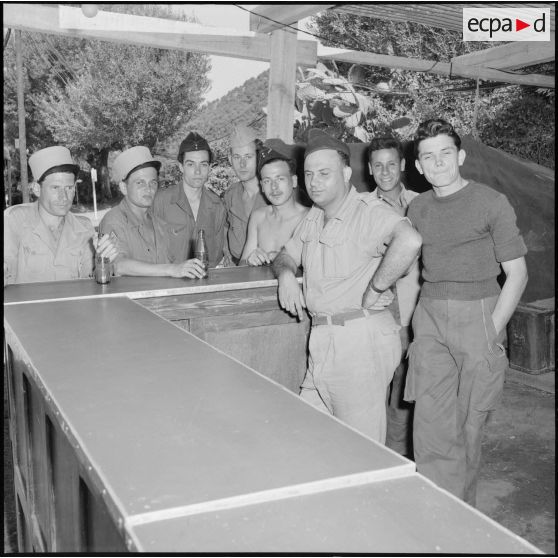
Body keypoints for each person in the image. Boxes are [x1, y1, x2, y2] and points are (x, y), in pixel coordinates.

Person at [405, 118, 528, 506]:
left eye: (445, 153)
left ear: (459, 156)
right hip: (429, 317)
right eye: (429, 156)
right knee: (429, 424)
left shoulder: (491, 202)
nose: (438, 163)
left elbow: (517, 274)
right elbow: (410, 269)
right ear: (419, 166)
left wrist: (489, 329)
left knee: (467, 425)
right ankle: (434, 512)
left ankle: (461, 519)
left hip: (479, 313)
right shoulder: (418, 206)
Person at [272, 129, 422, 442]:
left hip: (359, 342)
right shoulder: (315, 216)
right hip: (323, 342)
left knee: (361, 452)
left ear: (346, 173)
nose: (314, 182)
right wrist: (286, 275)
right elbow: (286, 255)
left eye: (324, 174)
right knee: (304, 438)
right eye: (309, 174)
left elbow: (409, 240)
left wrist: (377, 288)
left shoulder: (366, 211)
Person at [368, 136, 421, 457]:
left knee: (404, 389)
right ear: (369, 169)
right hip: (376, 310)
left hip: (414, 312)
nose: (385, 171)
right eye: (378, 165)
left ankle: (397, 457)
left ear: (402, 165)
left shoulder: (421, 204)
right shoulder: (361, 207)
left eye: (391, 164)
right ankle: (372, 457)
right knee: (373, 388)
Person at [4, 146, 117, 285]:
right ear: (37, 189)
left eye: (69, 188)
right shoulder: (14, 220)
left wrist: (103, 262)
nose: (64, 197)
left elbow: (90, 285)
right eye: (55, 188)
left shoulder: (84, 227)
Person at [99, 146, 206, 278]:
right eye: (140, 183)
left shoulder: (159, 224)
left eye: (153, 183)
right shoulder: (114, 221)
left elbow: (171, 266)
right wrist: (171, 269)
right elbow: (118, 265)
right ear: (123, 187)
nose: (148, 189)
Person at [153, 132, 227, 268]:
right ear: (181, 166)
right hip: (169, 284)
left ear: (210, 167)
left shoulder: (217, 206)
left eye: (203, 164)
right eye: (191, 164)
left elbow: (216, 257)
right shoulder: (161, 202)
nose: (198, 171)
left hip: (205, 283)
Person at [240, 141, 309, 266]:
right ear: (261, 186)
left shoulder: (309, 218)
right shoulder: (258, 217)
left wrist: (284, 259)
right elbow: (242, 264)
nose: (274, 187)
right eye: (267, 181)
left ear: (293, 181)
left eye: (280, 179)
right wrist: (249, 260)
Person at [223, 124, 268, 264]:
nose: (242, 164)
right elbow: (225, 226)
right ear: (230, 159)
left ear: (259, 157)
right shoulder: (230, 194)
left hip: (269, 268)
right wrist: (226, 253)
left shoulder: (272, 194)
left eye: (248, 157)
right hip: (237, 267)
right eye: (237, 157)